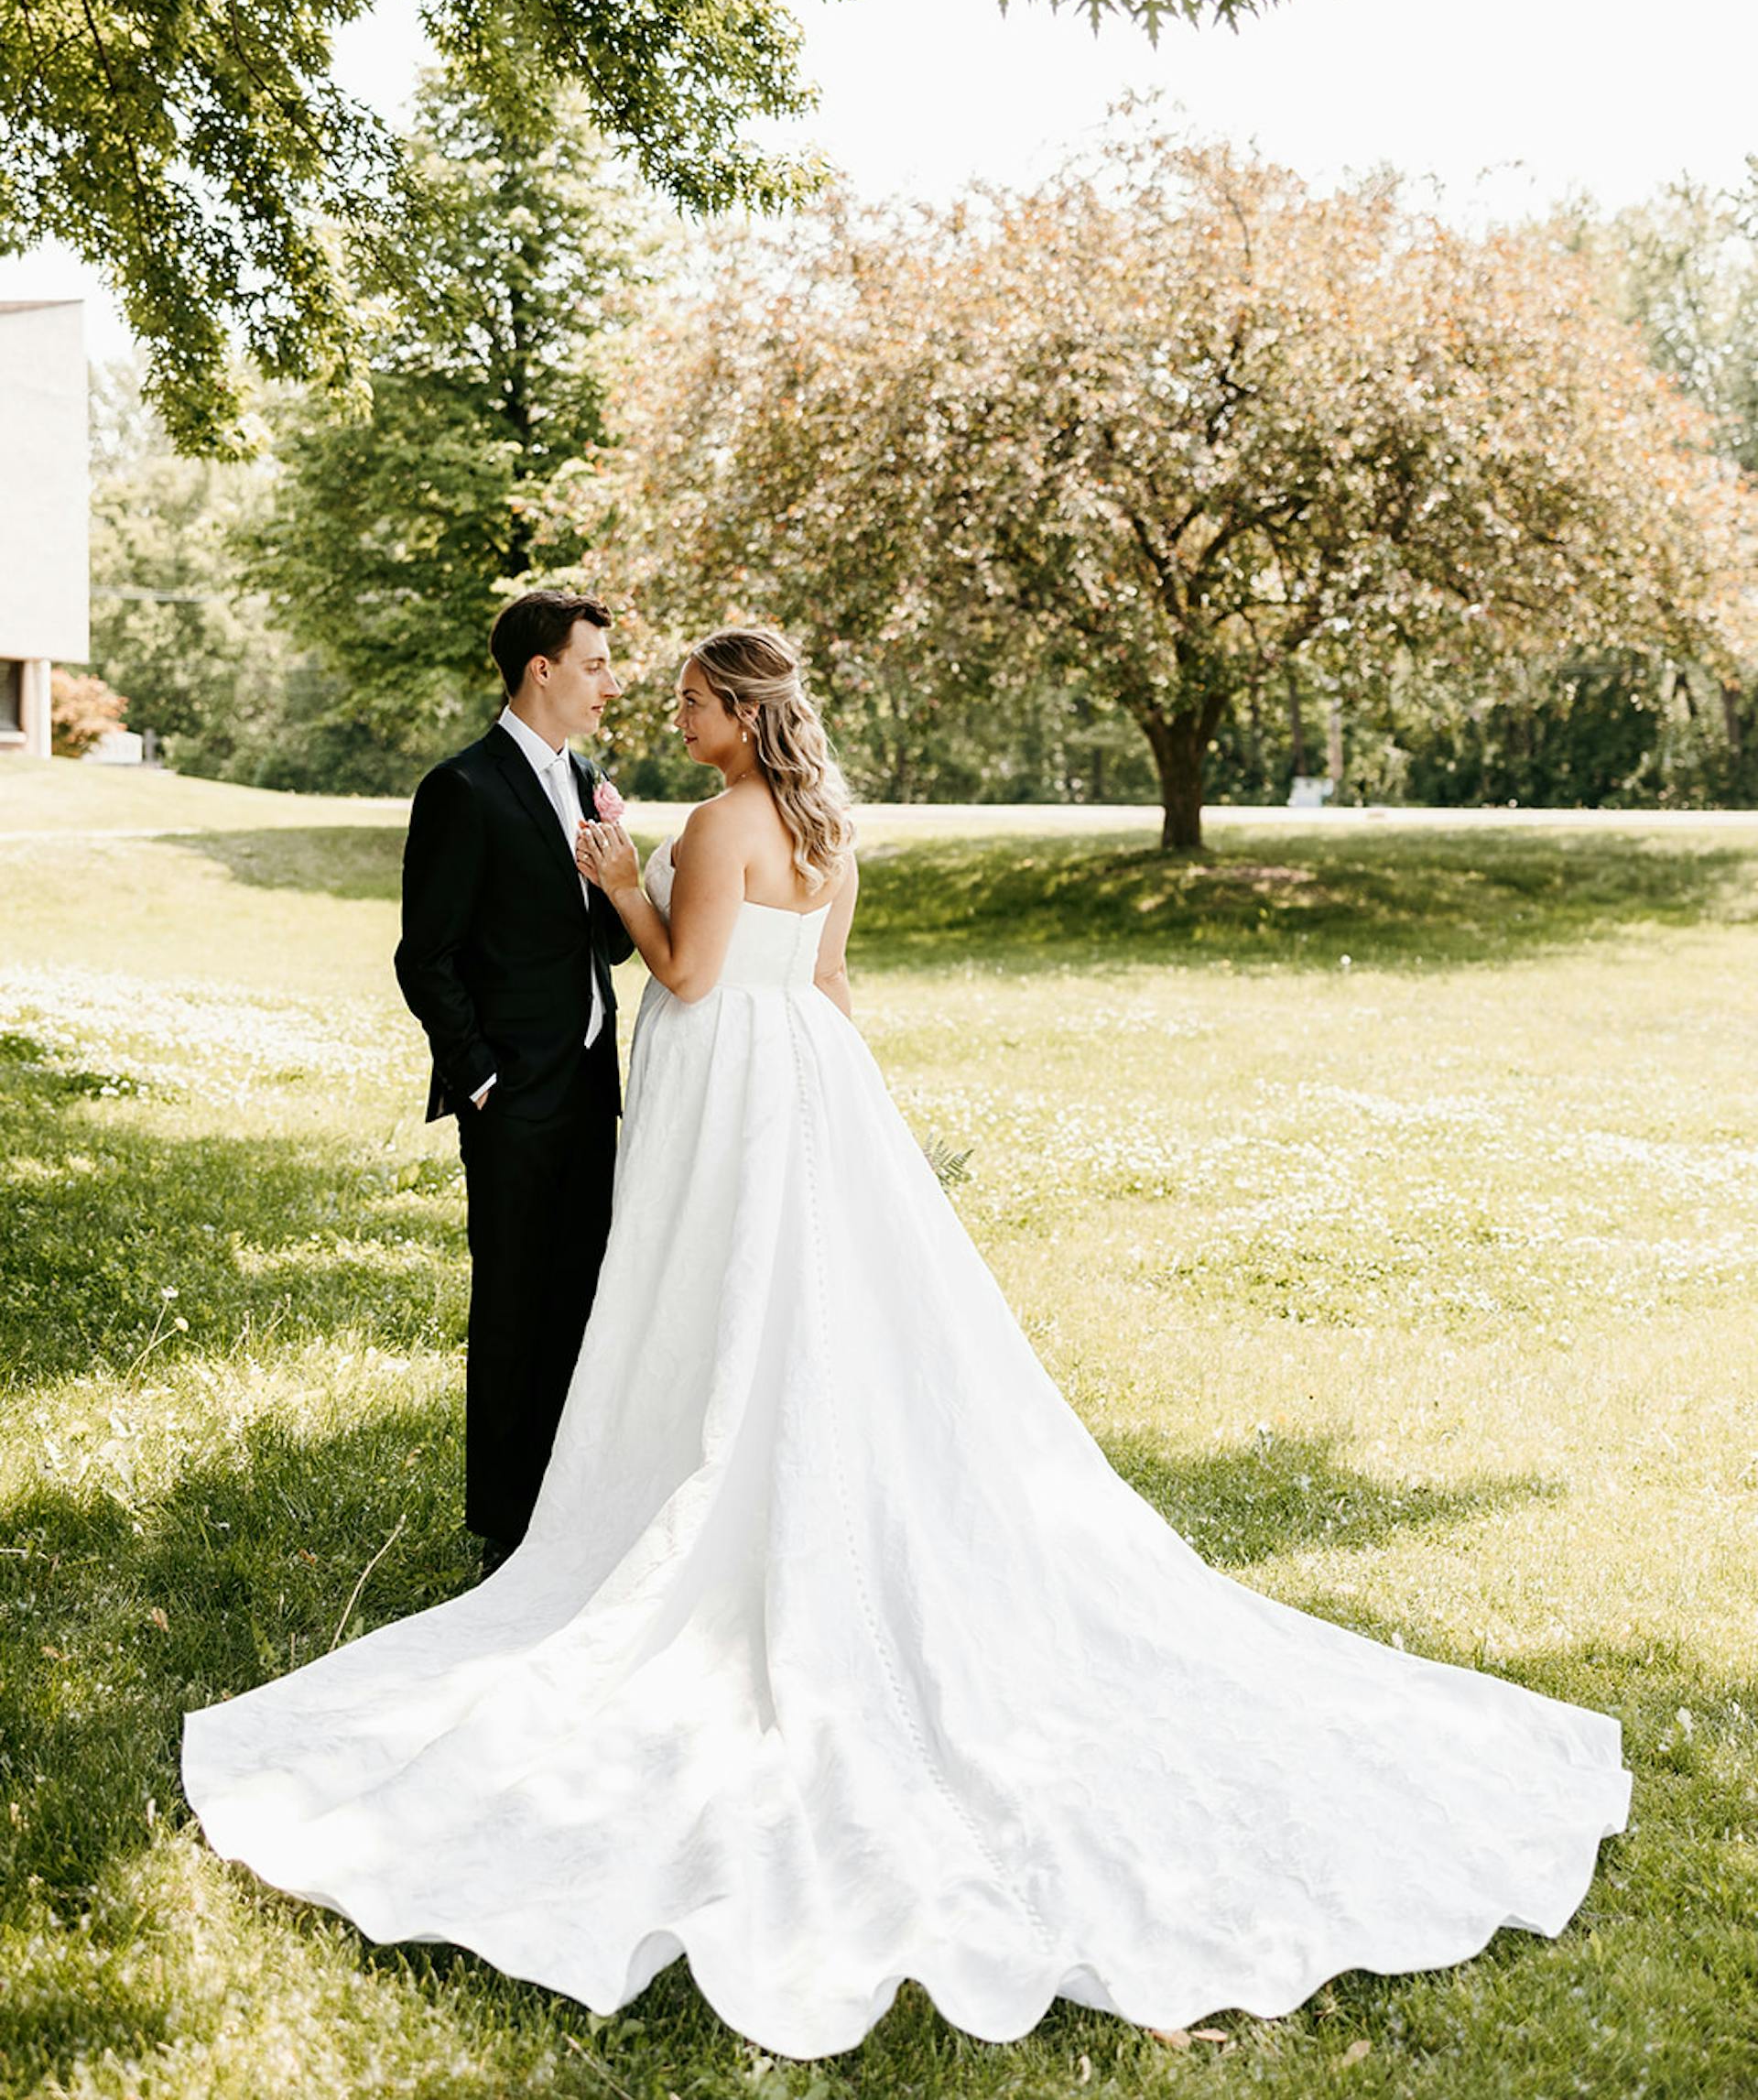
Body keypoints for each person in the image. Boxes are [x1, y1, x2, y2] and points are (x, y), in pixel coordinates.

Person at [184, 626, 1630, 2061]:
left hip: (726, 1086)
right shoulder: (827, 823)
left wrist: (623, 884)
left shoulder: (716, 823)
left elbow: (690, 975)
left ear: (743, 713)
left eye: (692, 698)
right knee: (823, 1304)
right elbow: (828, 987)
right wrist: (843, 1110)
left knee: (726, 1304)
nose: (673, 713)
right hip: (810, 1078)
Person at [392, 589, 633, 1577]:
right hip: (512, 1094)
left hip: (590, 1084)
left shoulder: (588, 779)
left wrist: (617, 871)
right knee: (511, 1304)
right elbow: (425, 956)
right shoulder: (462, 787)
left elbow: (608, 941)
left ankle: (568, 1507)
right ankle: (504, 1528)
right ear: (542, 668)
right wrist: (481, 1077)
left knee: (582, 1296)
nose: (610, 683)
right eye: (594, 664)